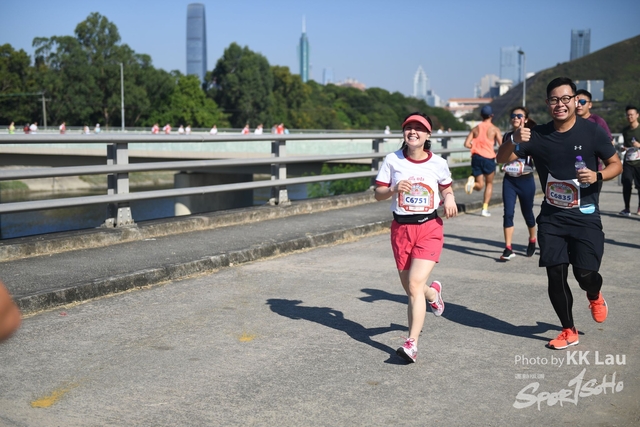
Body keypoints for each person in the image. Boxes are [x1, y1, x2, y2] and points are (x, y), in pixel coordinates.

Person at [497, 77, 622, 350]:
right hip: (552, 217)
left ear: (575, 101)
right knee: (555, 273)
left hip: (585, 214)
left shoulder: (592, 132)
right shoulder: (538, 135)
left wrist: (598, 175)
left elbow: (616, 164)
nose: (560, 104)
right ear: (547, 103)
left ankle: (594, 294)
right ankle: (568, 329)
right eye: (554, 100)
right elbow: (501, 159)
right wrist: (513, 139)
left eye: (566, 99)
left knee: (585, 274)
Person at [374, 112, 458, 363]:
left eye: (419, 128)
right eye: (408, 127)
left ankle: (411, 343)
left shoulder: (438, 163)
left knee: (413, 285)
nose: (413, 132)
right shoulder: (393, 160)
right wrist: (392, 189)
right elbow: (378, 193)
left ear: (428, 134)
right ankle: (432, 294)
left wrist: (450, 198)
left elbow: (447, 187)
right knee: (413, 288)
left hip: (429, 228)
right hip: (401, 230)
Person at [499, 107, 537, 261]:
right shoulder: (507, 136)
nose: (515, 118)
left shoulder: (531, 136)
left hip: (526, 180)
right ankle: (508, 248)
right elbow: (502, 155)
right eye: (513, 115)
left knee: (527, 213)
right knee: (508, 213)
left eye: (519, 115)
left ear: (525, 119)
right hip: (509, 179)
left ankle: (532, 239)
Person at [463, 105, 502, 217]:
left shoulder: (475, 129)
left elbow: (466, 144)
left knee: (480, 185)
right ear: (492, 115)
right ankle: (484, 209)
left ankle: (473, 184)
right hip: (488, 158)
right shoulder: (494, 129)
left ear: (481, 115)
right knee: (489, 184)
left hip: (476, 157)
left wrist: (475, 146)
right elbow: (502, 145)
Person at [619, 105, 640, 216]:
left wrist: (639, 145)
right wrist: (623, 148)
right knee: (626, 183)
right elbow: (626, 145)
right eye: (628, 115)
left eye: (632, 115)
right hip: (628, 161)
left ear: (637, 115)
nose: (629, 117)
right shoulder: (625, 131)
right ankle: (626, 208)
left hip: (639, 162)